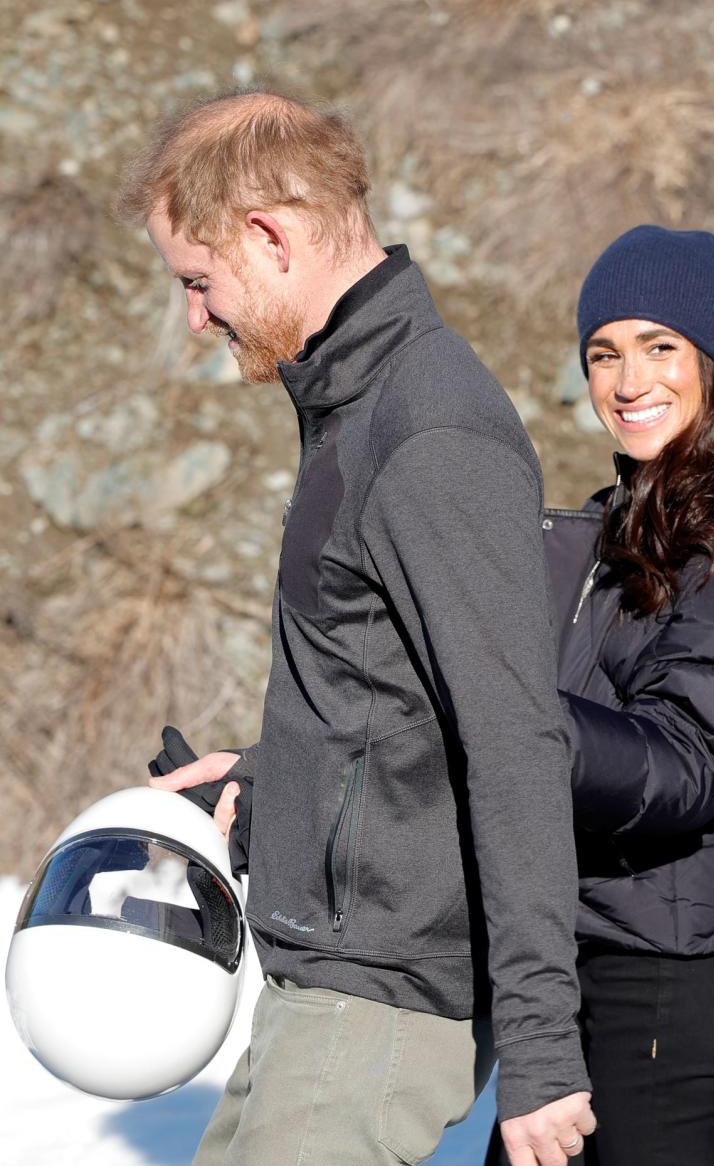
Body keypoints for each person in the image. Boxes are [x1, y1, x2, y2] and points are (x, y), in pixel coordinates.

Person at [116, 89, 596, 1166]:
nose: (197, 318)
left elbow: (516, 743)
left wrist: (540, 1047)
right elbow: (391, 691)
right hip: (324, 988)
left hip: (379, 1010)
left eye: (199, 283)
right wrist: (279, 774)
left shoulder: (428, 431)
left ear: (269, 235)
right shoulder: (350, 401)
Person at [487, 225, 714, 1166]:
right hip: (600, 953)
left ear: (712, 362)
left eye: (659, 347)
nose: (628, 380)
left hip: (671, 978)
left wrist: (514, 724)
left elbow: (685, 763)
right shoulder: (629, 524)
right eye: (604, 353)